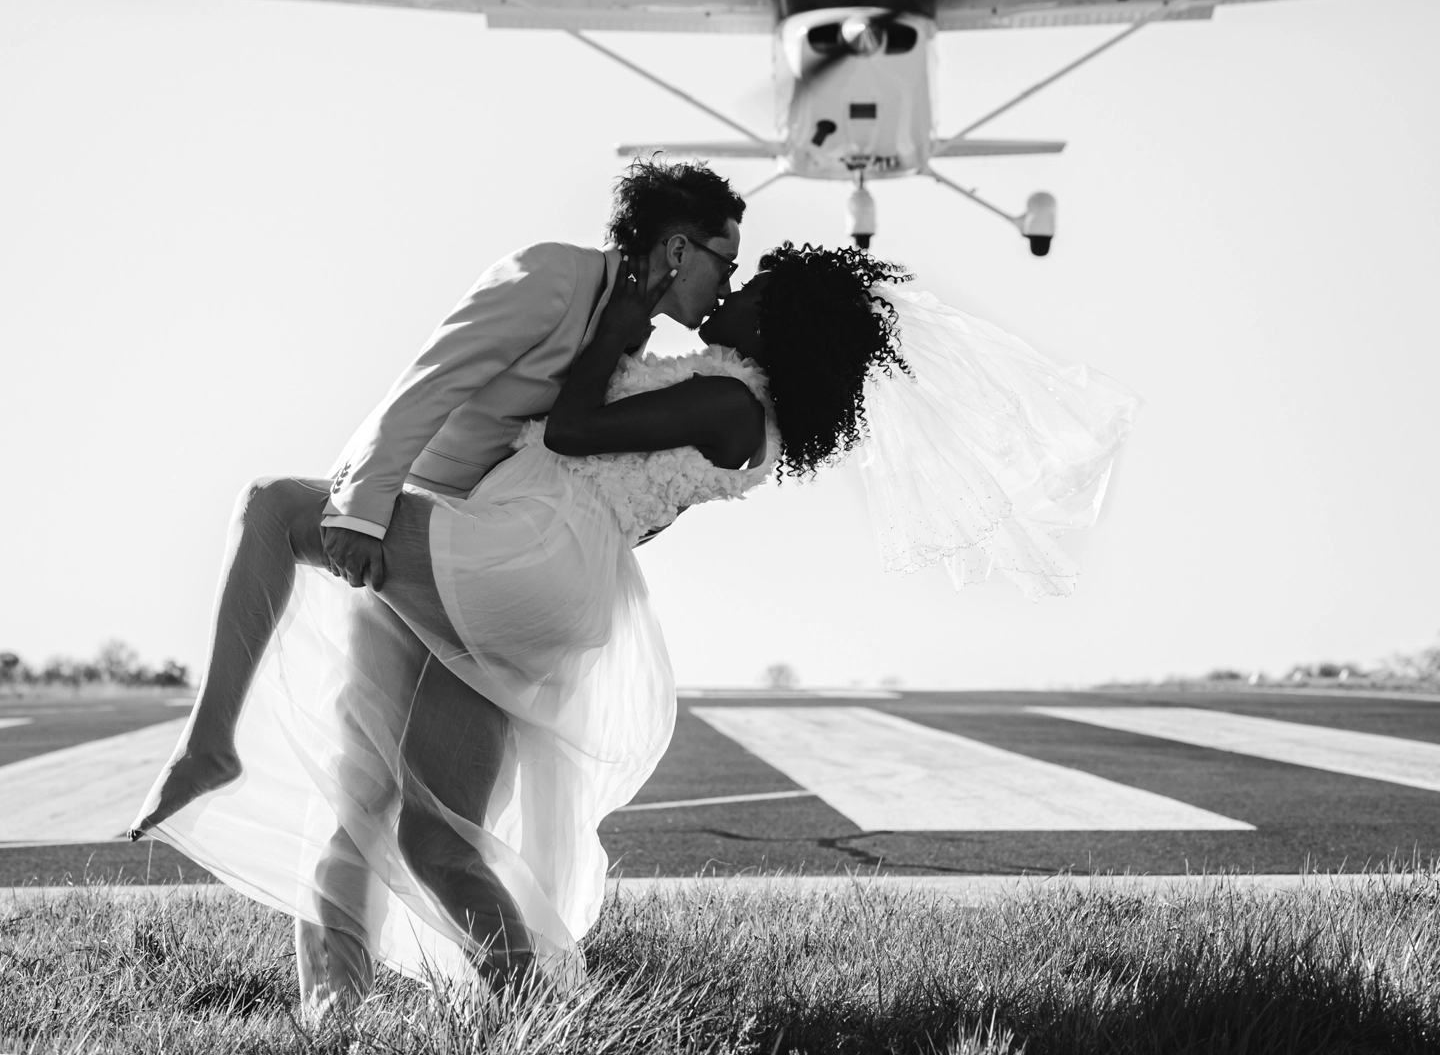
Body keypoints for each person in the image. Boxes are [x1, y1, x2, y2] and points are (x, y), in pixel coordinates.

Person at [137, 206, 1137, 1014]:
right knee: (435, 841)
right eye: (730, 272)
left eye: (751, 291)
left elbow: (575, 431)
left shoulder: (734, 405)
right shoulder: (739, 412)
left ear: (779, 331)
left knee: (273, 508)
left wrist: (616, 327)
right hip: (545, 588)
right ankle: (533, 1014)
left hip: (521, 558)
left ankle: (209, 742)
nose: (732, 294)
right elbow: (625, 494)